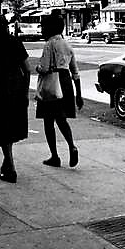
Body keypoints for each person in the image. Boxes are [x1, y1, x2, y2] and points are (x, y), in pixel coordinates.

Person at [0, 14, 31, 183]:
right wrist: (25, 92)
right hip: (16, 89)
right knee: (12, 127)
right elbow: (28, 69)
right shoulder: (15, 42)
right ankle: (7, 162)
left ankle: (10, 166)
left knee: (3, 128)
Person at [35, 13, 84, 169]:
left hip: (52, 84)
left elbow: (43, 68)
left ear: (49, 28)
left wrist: (37, 68)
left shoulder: (49, 44)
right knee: (62, 119)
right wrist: (79, 95)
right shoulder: (67, 45)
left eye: (43, 27)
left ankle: (55, 156)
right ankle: (71, 146)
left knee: (48, 122)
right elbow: (75, 72)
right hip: (66, 82)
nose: (41, 30)